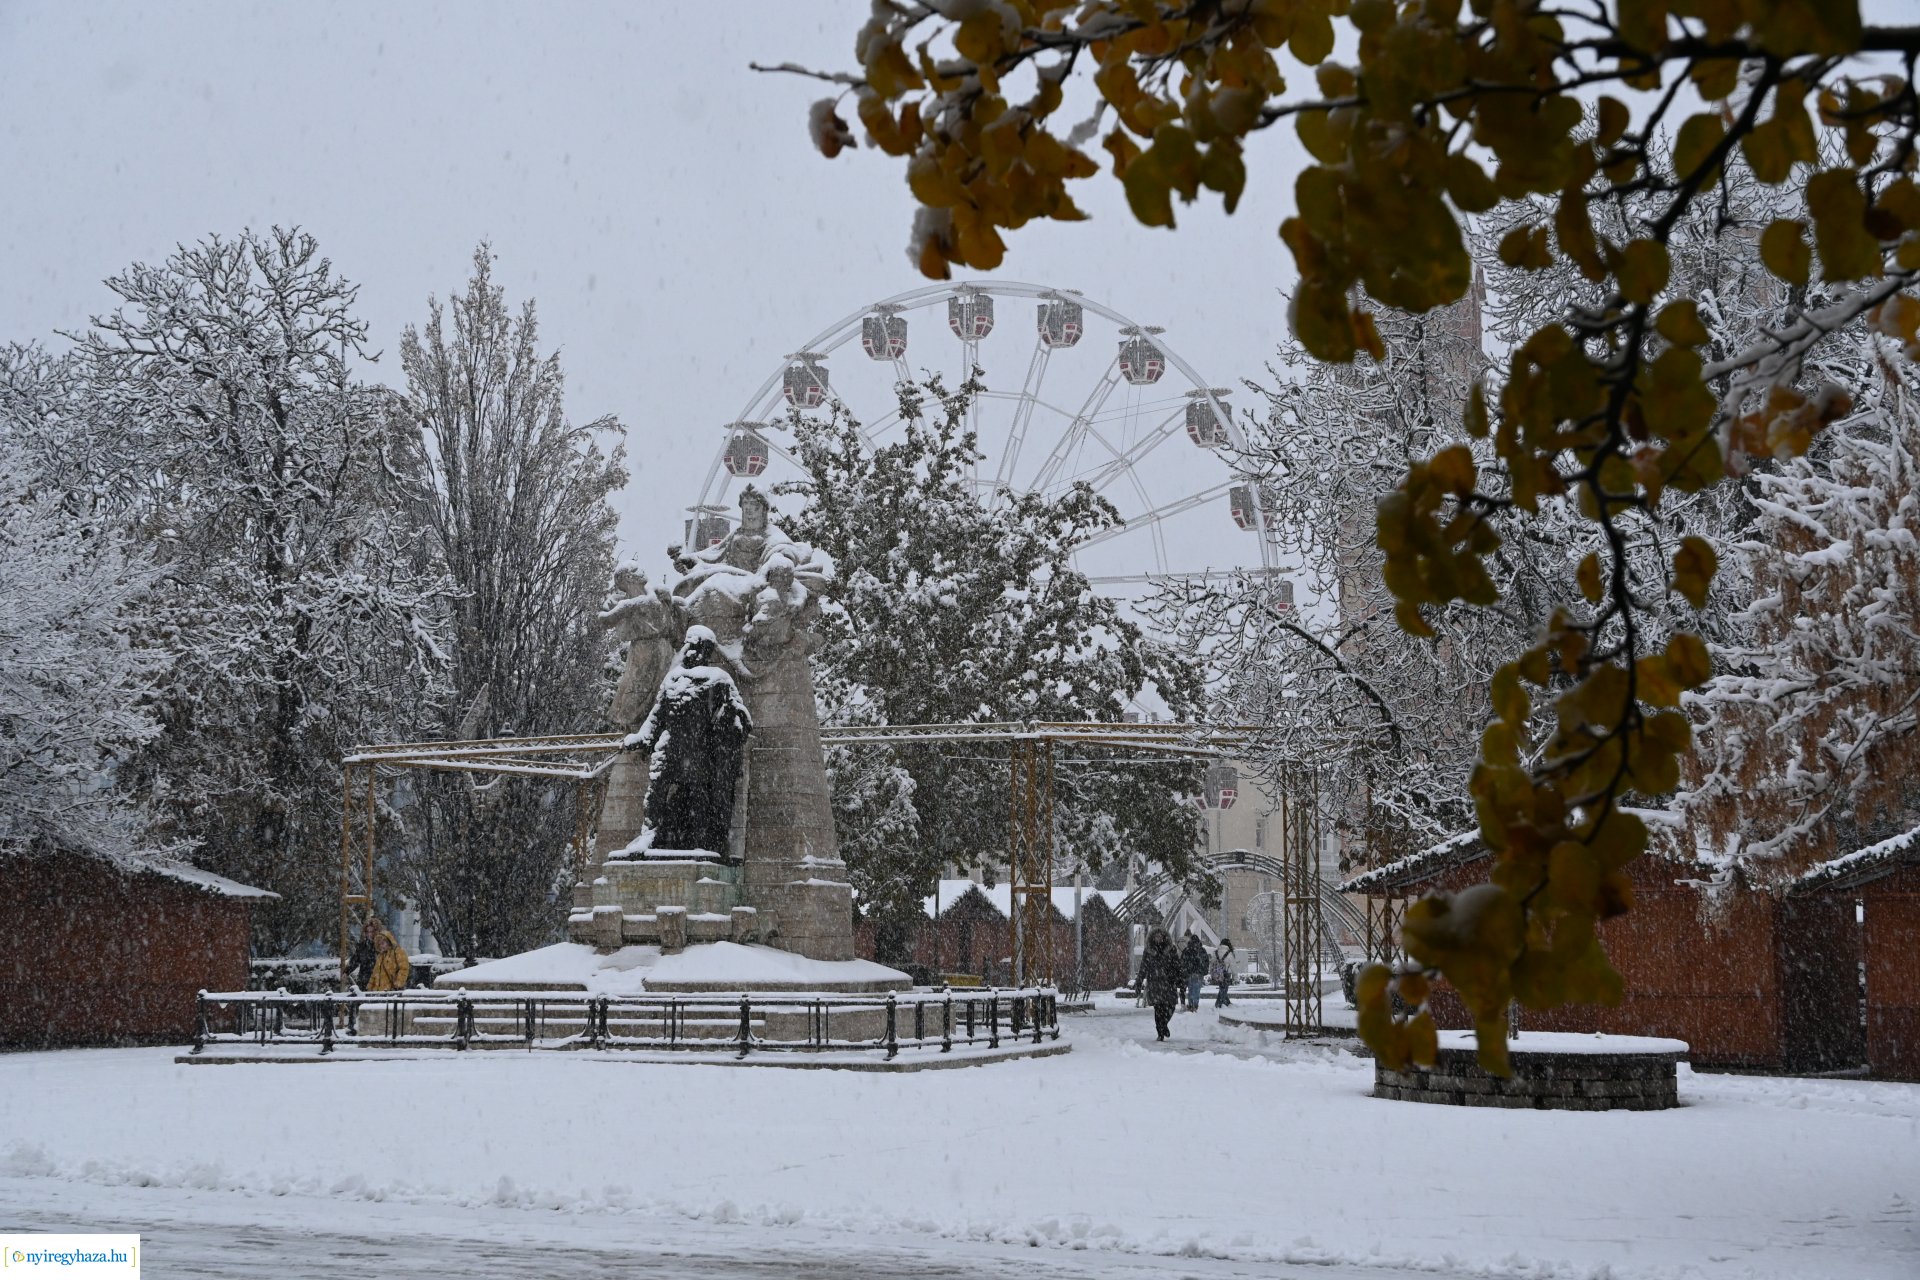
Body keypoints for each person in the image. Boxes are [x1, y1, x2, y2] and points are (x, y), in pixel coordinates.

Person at [1139, 926, 1182, 1041]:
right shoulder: (1148, 951)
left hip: (1169, 982)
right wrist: (1139, 981)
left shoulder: (1171, 949)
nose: (1158, 938)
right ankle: (1160, 1032)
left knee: (1170, 1006)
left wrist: (1179, 978)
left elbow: (1177, 965)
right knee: (1158, 1009)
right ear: (1153, 938)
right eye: (1156, 936)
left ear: (1164, 937)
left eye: (1160, 936)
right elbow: (1143, 967)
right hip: (1155, 983)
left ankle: (1164, 1025)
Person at [367, 924, 411, 992]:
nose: (381, 946)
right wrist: (370, 987)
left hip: (390, 990)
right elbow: (375, 973)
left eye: (383, 943)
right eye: (379, 944)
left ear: (389, 942)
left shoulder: (398, 952)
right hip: (378, 991)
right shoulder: (380, 956)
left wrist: (398, 983)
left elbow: (404, 968)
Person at [1180, 930, 1208, 1013]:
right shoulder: (1202, 950)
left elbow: (1183, 961)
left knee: (1191, 989)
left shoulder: (1187, 950)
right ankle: (1195, 1005)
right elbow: (1206, 961)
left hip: (1190, 972)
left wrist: (1184, 970)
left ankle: (1191, 1004)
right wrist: (1204, 970)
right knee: (1197, 990)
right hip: (1199, 973)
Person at [348, 918, 378, 990]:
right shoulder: (362, 946)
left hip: (378, 980)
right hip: (363, 980)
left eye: (372, 931)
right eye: (367, 932)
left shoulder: (381, 945)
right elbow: (355, 959)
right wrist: (347, 971)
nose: (369, 934)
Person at [1211, 937, 1235, 1008]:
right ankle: (1218, 1004)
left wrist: (1212, 974)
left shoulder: (1215, 952)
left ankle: (1227, 1002)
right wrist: (1235, 977)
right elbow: (1233, 966)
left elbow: (1212, 964)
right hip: (1226, 973)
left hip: (1218, 973)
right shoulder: (1229, 953)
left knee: (1222, 988)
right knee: (1224, 989)